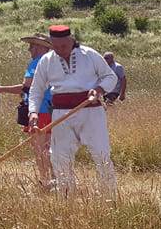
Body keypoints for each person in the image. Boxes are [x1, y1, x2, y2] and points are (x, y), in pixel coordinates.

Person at [28, 25, 118, 196]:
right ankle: (66, 197)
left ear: (71, 41)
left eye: (64, 46)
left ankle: (110, 198)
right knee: (60, 158)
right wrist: (33, 112)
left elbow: (110, 77)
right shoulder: (46, 61)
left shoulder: (89, 55)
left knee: (101, 155)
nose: (60, 50)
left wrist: (99, 89)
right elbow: (36, 90)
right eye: (56, 47)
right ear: (51, 44)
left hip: (91, 111)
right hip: (61, 114)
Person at [0, 33, 54, 186]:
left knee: (40, 149)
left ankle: (45, 181)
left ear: (39, 47)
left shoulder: (36, 63)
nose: (29, 49)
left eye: (31, 46)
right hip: (52, 109)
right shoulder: (53, 64)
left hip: (39, 111)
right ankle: (56, 178)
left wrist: (1, 89)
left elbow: (27, 87)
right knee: (51, 148)